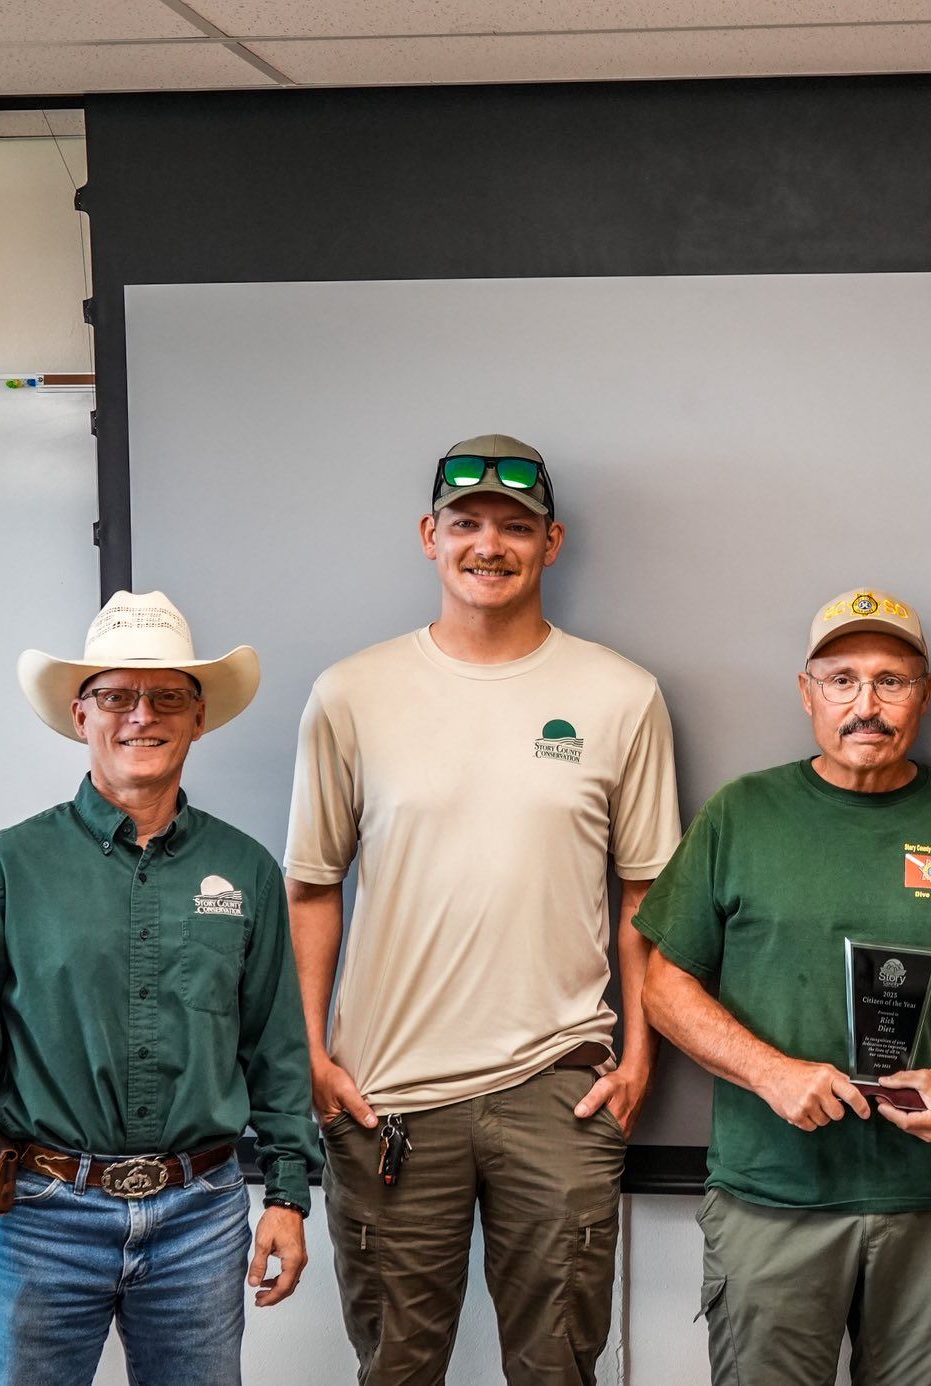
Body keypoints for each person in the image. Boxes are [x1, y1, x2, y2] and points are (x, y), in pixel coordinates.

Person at [286, 434, 682, 1385]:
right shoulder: (350, 693)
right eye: (467, 524)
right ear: (430, 536)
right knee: (397, 1367)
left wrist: (639, 1057)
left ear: (553, 543)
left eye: (516, 526)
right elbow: (311, 885)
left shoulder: (622, 696)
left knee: (556, 1369)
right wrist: (308, 1053)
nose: (489, 545)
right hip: (387, 1093)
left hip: (558, 1083)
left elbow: (647, 896)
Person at [0, 589, 318, 1385]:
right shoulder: (5, 868)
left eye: (166, 698)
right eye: (116, 696)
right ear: (82, 716)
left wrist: (288, 1192)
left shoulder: (248, 869)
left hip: (201, 1217)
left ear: (197, 718)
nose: (140, 716)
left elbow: (277, 1049)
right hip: (46, 1217)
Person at [635, 587, 931, 1386]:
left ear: (924, 694)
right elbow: (663, 984)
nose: (868, 704)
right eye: (843, 679)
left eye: (892, 681)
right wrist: (772, 1074)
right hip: (772, 1196)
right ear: (806, 691)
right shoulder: (742, 813)